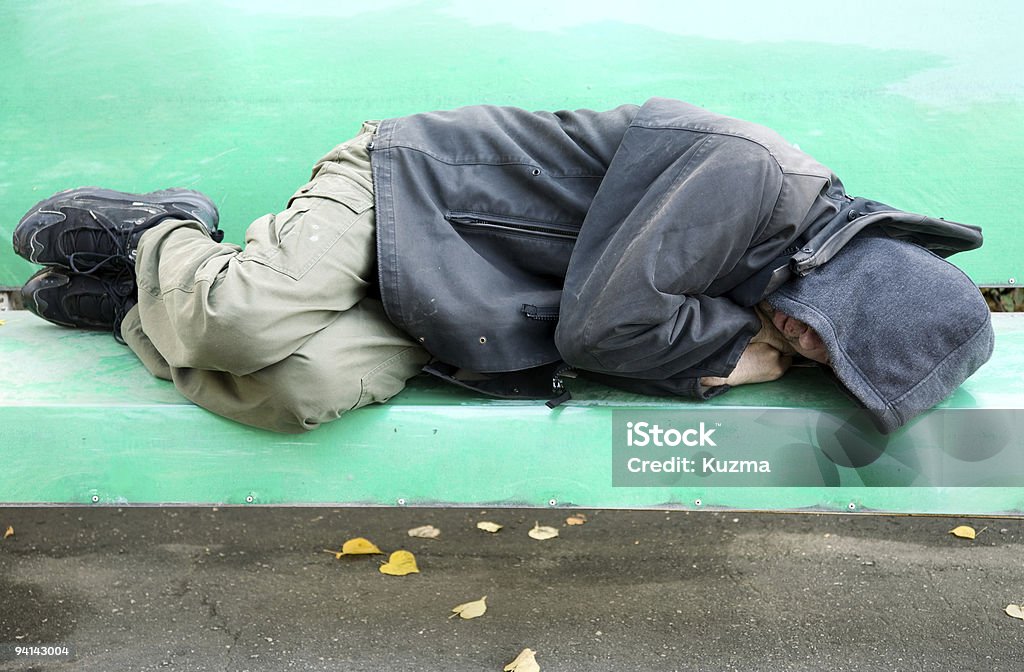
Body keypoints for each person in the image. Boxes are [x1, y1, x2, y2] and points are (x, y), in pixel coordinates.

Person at [12, 99, 995, 434]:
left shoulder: (788, 281)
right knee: (242, 321)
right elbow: (601, 330)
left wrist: (734, 341)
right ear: (857, 285)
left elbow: (598, 326)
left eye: (822, 362)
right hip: (412, 191)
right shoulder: (751, 175)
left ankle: (134, 311)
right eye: (823, 338)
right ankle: (165, 235)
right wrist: (728, 352)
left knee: (297, 392)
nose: (798, 349)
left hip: (465, 305)